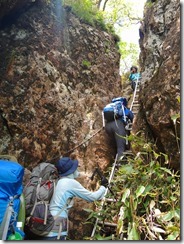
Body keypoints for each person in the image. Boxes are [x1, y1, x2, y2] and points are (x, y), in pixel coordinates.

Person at [41, 156, 108, 240]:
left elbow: (79, 174)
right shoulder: (70, 183)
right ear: (70, 171)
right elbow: (92, 197)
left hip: (46, 222)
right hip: (57, 226)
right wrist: (103, 187)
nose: (77, 169)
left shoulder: (58, 180)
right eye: (75, 168)